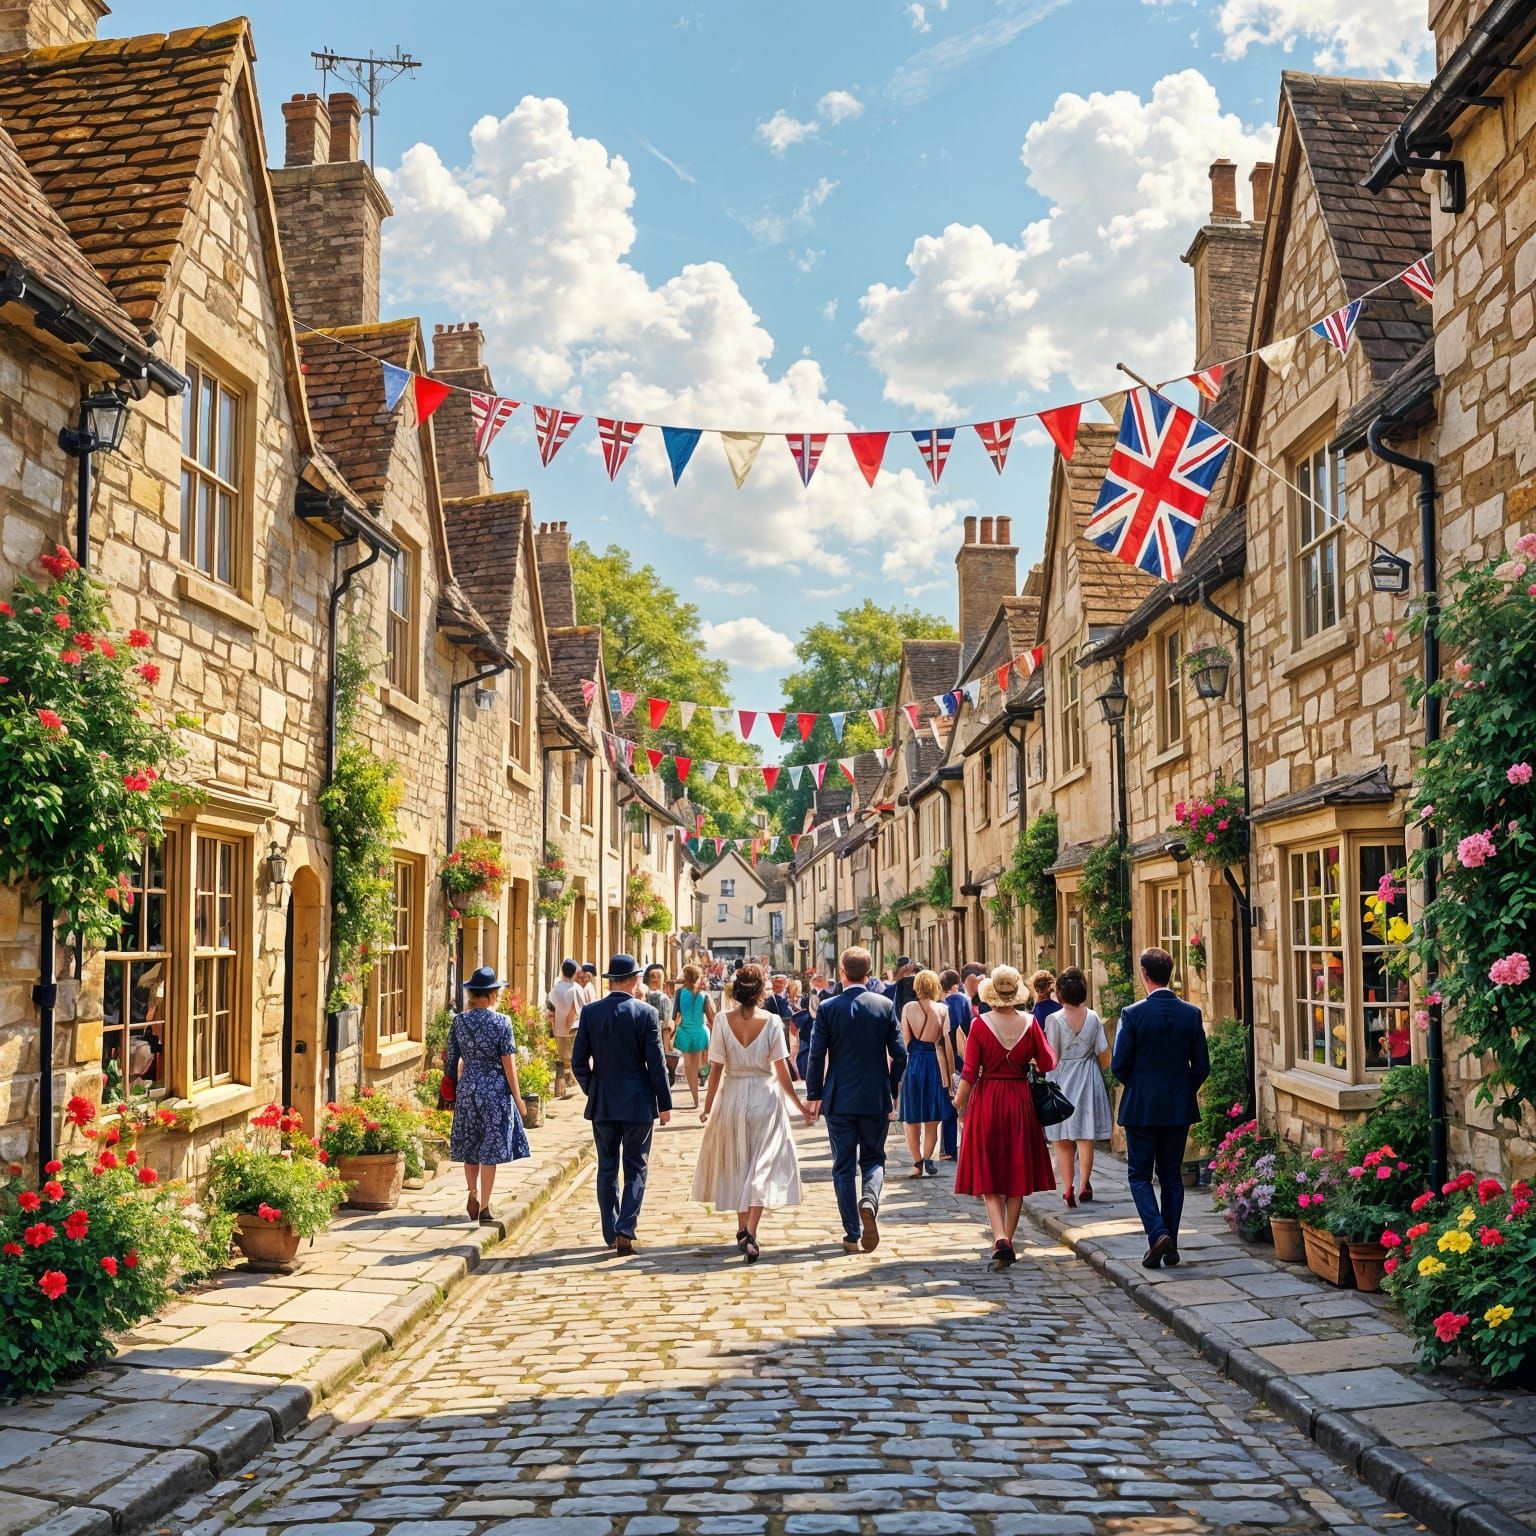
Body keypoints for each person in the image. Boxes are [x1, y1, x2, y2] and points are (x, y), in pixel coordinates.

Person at [692, 964, 812, 1261]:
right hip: (765, 1097)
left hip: (732, 1096)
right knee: (763, 1164)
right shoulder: (771, 1021)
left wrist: (708, 1108)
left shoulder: (721, 1020)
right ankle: (751, 1230)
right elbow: (782, 1071)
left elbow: (716, 1068)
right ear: (761, 991)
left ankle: (742, 1227)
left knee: (739, 1162)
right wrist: (799, 1105)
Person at [952, 964, 1057, 1270]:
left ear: (992, 992)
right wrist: (1031, 1059)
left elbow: (969, 1071)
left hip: (988, 1100)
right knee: (1016, 1174)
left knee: (989, 1173)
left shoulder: (980, 1025)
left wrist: (959, 1102)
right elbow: (1048, 1061)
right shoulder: (1030, 1022)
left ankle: (1000, 1237)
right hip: (1019, 1099)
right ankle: (1007, 1239)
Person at [805, 946, 907, 1253]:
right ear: (870, 973)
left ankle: (852, 1232)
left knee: (843, 1165)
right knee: (874, 1158)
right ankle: (870, 1200)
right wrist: (891, 1088)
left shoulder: (828, 1008)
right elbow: (900, 1054)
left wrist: (815, 1093)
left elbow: (816, 1054)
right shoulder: (884, 1005)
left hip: (840, 1097)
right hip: (875, 1095)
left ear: (842, 974)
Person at [1112, 946, 1210, 1268]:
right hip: (1177, 1107)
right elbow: (1202, 1066)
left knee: (1139, 1175)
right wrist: (1183, 1090)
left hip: (1142, 1106)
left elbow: (1119, 1065)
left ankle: (1157, 1234)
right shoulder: (1190, 1013)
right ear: (1170, 974)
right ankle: (1170, 1243)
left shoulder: (1133, 1014)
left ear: (1144, 974)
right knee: (1171, 1176)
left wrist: (1140, 1086)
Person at [571, 954, 674, 1254]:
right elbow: (656, 1063)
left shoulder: (591, 1012)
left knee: (606, 1167)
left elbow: (578, 1062)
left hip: (604, 1103)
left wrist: (594, 1089)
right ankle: (626, 1227)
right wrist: (664, 1102)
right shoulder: (645, 1013)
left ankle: (609, 1229)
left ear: (611, 980)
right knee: (636, 1166)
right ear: (632, 980)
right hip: (638, 1102)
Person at [445, 966, 530, 1224]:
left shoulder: (459, 1021)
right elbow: (509, 1064)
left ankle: (471, 1192)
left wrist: (451, 1089)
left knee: (470, 1144)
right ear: (492, 993)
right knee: (489, 1150)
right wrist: (518, 1098)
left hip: (468, 1087)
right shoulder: (501, 1022)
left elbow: (450, 1059)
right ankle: (484, 1206)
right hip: (494, 1090)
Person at [1040, 966, 1113, 1208]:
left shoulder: (1054, 1019)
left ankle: (1068, 1187)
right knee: (1085, 1135)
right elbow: (1104, 1053)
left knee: (1063, 1138)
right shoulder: (1092, 1016)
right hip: (1088, 1074)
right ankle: (1085, 1184)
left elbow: (1052, 1055)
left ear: (1060, 993)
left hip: (1063, 1077)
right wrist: (1095, 1068)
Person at [899, 969, 955, 1178]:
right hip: (936, 1063)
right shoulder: (943, 1009)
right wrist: (950, 1075)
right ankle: (929, 1157)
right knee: (933, 1118)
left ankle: (917, 1162)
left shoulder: (908, 1007)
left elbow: (905, 1040)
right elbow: (946, 1043)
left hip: (914, 1064)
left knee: (911, 1118)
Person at [672, 962, 715, 1108]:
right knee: (696, 1064)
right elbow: (711, 1017)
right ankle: (698, 1089)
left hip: (684, 1031)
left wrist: (672, 1030)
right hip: (699, 1031)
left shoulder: (679, 993)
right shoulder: (704, 996)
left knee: (689, 1066)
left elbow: (675, 1014)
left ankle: (695, 1097)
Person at [939, 968, 969, 1160]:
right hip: (965, 1053)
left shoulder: (943, 1004)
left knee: (949, 1100)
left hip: (948, 1054)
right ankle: (966, 1142)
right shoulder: (965, 1000)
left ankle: (949, 1148)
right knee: (966, 1102)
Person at [547, 958, 583, 1097]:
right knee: (574, 1055)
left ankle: (565, 1083)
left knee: (563, 1057)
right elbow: (578, 1008)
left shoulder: (556, 988)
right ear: (574, 973)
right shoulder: (576, 988)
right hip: (574, 1026)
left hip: (559, 1027)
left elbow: (552, 1007)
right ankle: (571, 1081)